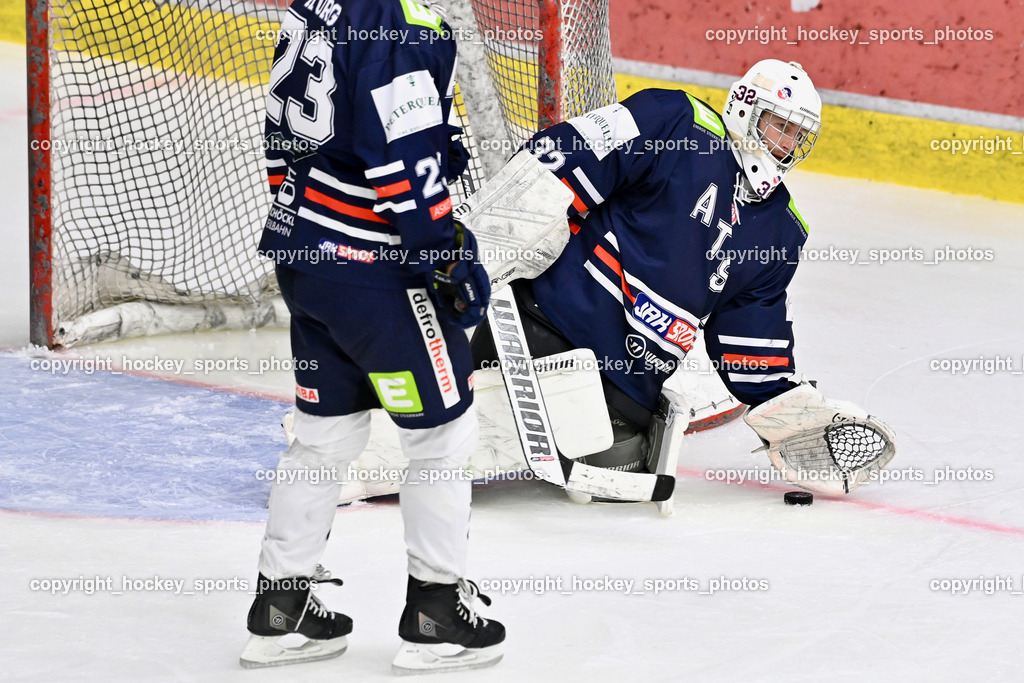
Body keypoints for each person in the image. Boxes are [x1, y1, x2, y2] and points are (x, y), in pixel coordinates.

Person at [473, 59, 894, 492]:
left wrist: (785, 406)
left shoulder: (782, 231)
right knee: (446, 414)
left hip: (627, 393)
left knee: (616, 474)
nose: (784, 143)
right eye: (778, 125)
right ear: (746, 107)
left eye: (796, 135)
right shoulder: (677, 122)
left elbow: (747, 339)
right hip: (542, 327)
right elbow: (568, 155)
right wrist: (488, 245)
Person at [240, 0, 503, 673]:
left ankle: (280, 609)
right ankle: (435, 614)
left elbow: (326, 130)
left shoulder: (317, 5)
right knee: (442, 437)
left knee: (324, 437)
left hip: (305, 260)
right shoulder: (404, 22)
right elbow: (403, 166)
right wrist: (442, 255)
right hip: (376, 273)